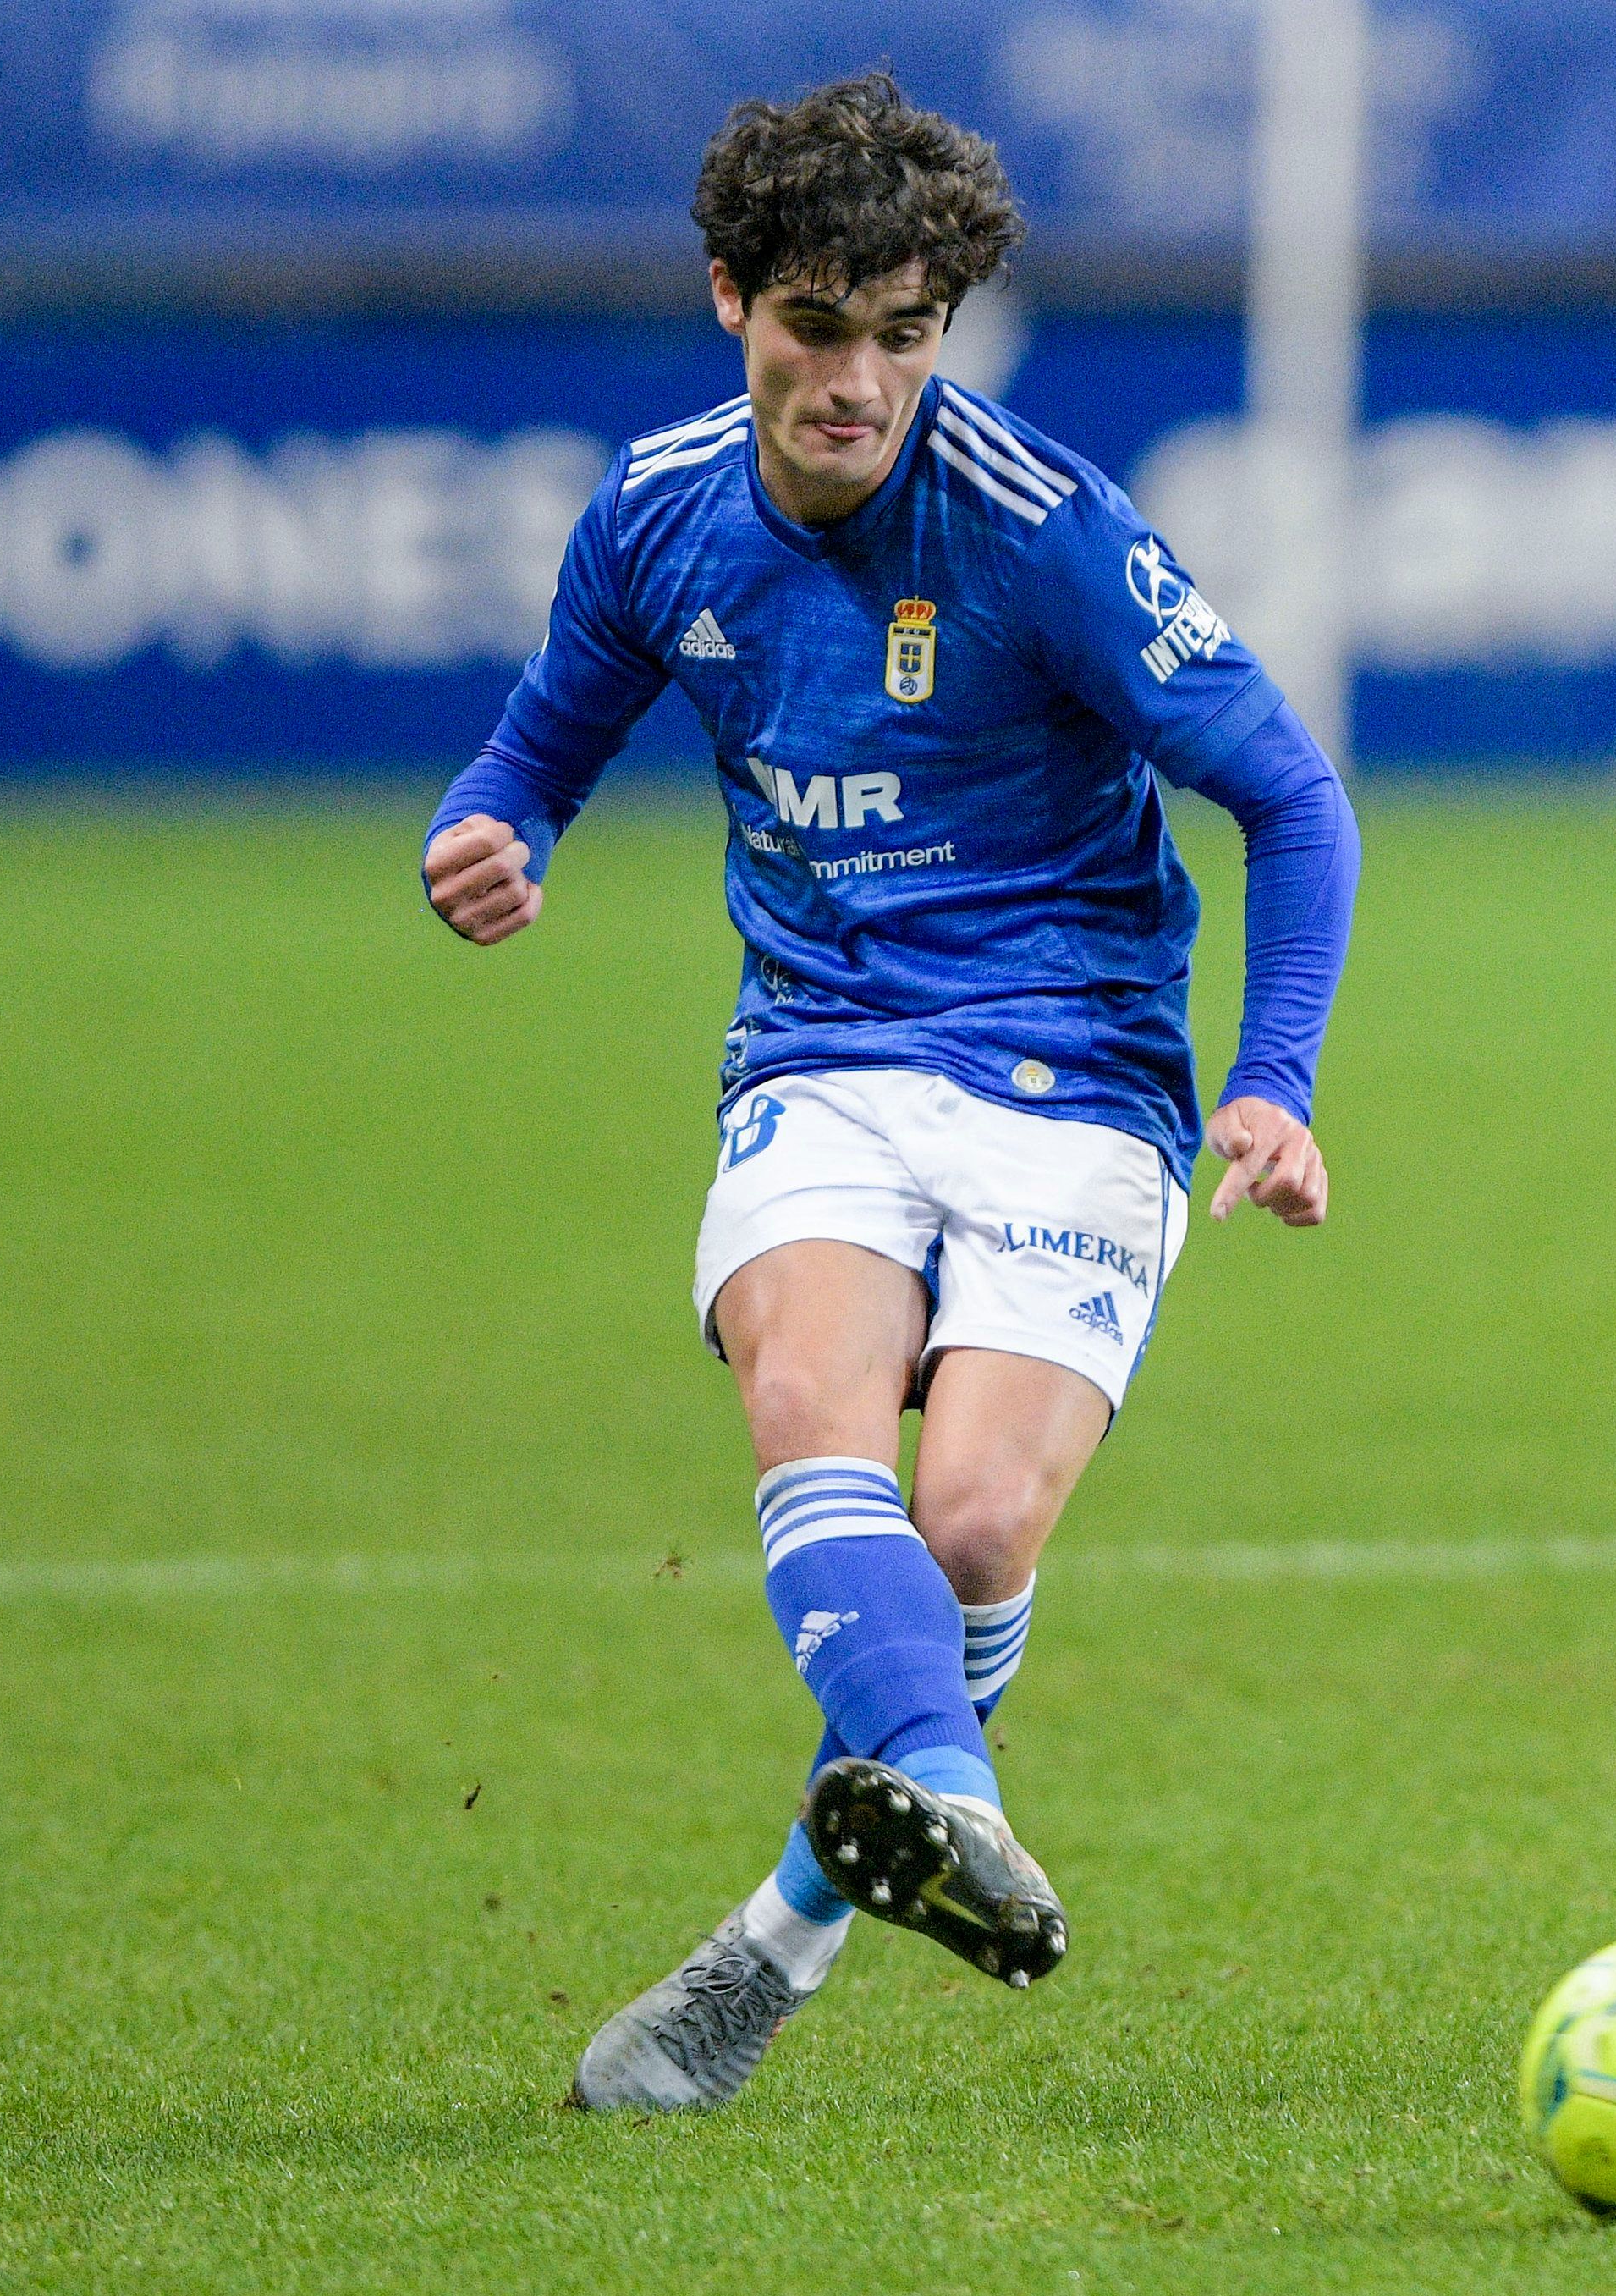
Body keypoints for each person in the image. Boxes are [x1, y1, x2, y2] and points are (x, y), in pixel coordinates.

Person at [420, 71, 1360, 2116]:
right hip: (825, 1055)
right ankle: (945, 1784)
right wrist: (491, 834)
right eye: (816, 325)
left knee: (976, 1524)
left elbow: (1290, 793)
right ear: (730, 298)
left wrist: (1270, 1082)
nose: (858, 380)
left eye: (904, 334)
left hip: (1078, 1065)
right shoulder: (657, 508)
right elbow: (534, 749)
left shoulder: (1045, 534)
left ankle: (785, 1931)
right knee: (804, 1396)